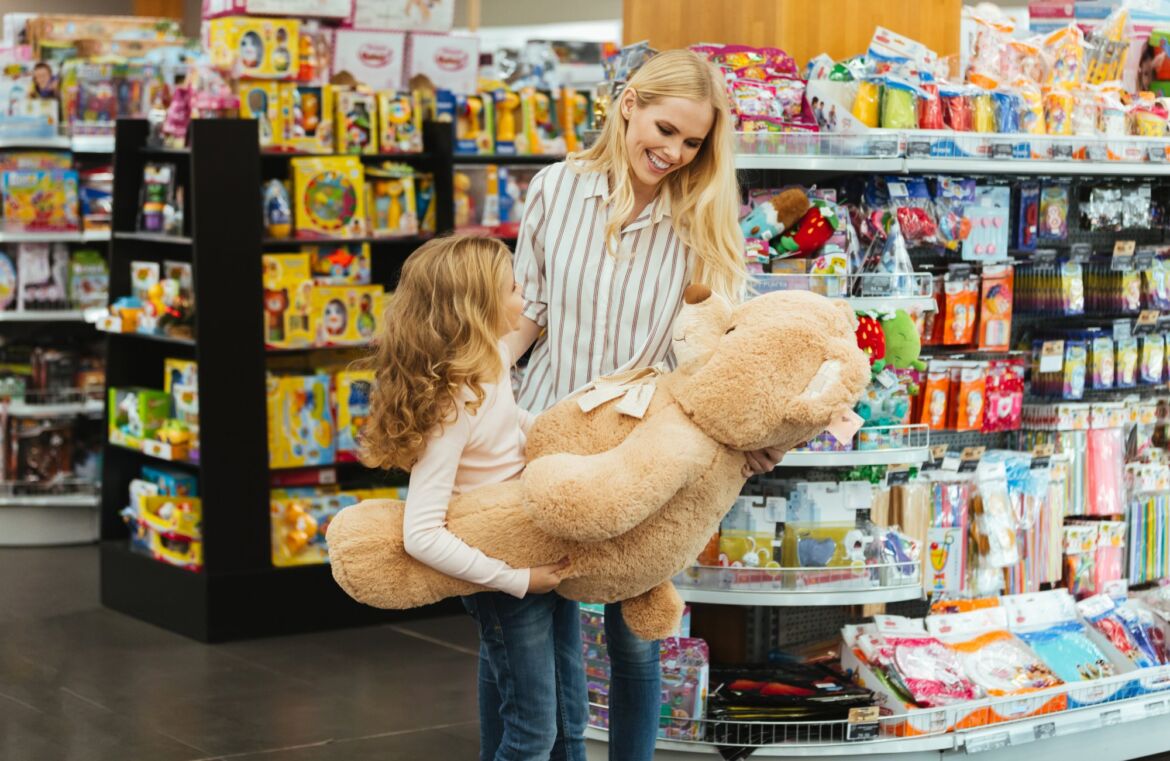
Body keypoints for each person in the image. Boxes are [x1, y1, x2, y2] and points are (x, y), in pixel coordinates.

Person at [496, 48, 785, 761]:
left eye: (692, 142)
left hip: (646, 453)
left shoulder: (704, 217)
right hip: (544, 432)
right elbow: (530, 309)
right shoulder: (556, 188)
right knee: (525, 626)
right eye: (665, 130)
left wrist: (752, 433)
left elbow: (722, 345)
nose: (675, 152)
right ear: (628, 104)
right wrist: (482, 383)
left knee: (635, 636)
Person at [359, 235, 576, 761]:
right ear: (477, 306)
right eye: (514, 288)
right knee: (532, 731)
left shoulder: (492, 360)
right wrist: (517, 580)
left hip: (539, 552)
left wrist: (554, 434)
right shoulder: (451, 403)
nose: (525, 298)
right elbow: (421, 533)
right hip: (505, 577)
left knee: (571, 719)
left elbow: (505, 424)